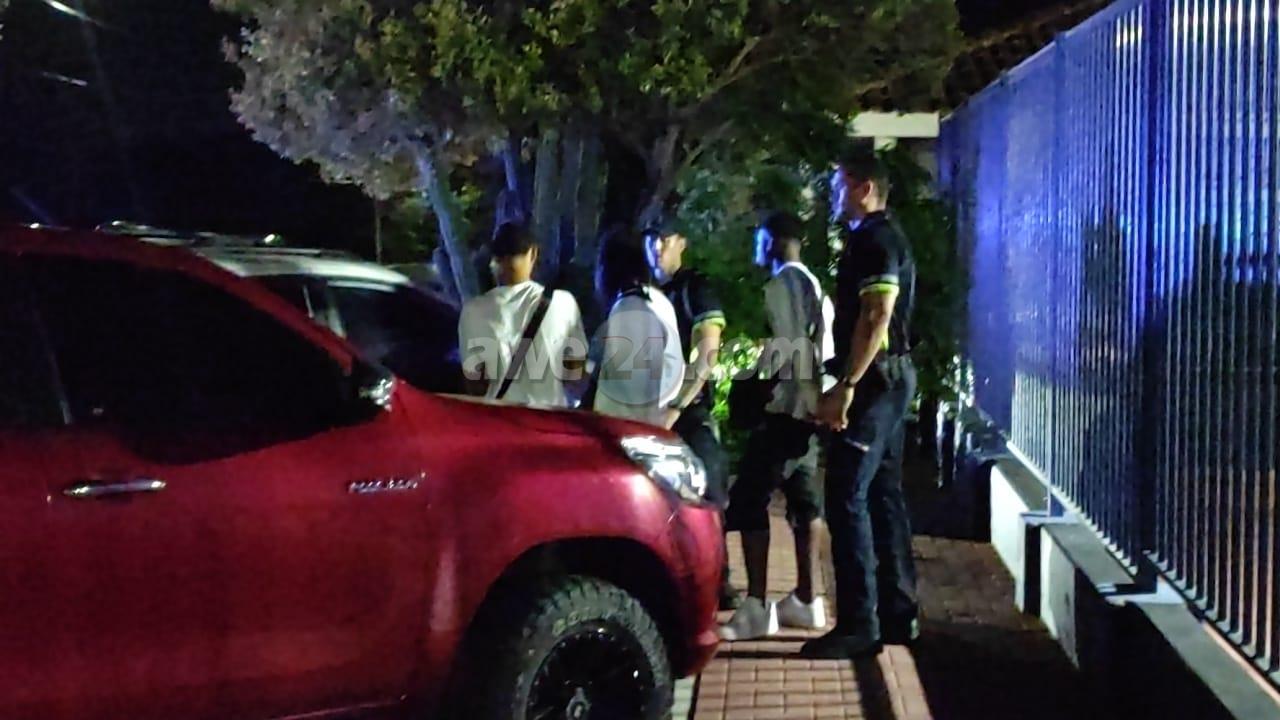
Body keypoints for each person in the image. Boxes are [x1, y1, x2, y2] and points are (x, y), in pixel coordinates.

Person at [801, 149, 920, 659]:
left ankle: (859, 624)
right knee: (883, 492)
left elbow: (876, 314)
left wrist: (847, 383)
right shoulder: (882, 236)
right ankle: (897, 612)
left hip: (875, 383)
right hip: (892, 378)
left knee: (846, 492)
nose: (832, 195)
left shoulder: (875, 240)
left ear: (864, 188)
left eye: (838, 186)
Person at [720, 211, 835, 640]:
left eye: (758, 238)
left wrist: (758, 387)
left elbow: (787, 349)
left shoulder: (783, 283)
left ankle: (755, 606)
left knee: (749, 500)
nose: (755, 246)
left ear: (771, 240)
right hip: (808, 411)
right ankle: (806, 599)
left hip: (784, 410)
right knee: (805, 503)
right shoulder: (815, 286)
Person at [643, 218, 738, 610]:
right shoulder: (641, 293)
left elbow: (706, 353)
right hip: (645, 411)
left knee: (708, 488)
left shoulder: (695, 287)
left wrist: (677, 406)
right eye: (651, 239)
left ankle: (719, 579)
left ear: (682, 242)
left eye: (665, 239)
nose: (657, 246)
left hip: (687, 410)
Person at [458, 223, 587, 407]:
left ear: (494, 260)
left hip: (500, 420)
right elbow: (575, 376)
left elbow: (475, 387)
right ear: (533, 253)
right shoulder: (564, 303)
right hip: (549, 419)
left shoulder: (473, 311)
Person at [592, 225, 686, 427]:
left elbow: (625, 391)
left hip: (623, 429)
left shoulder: (629, 307)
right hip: (650, 425)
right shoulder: (659, 301)